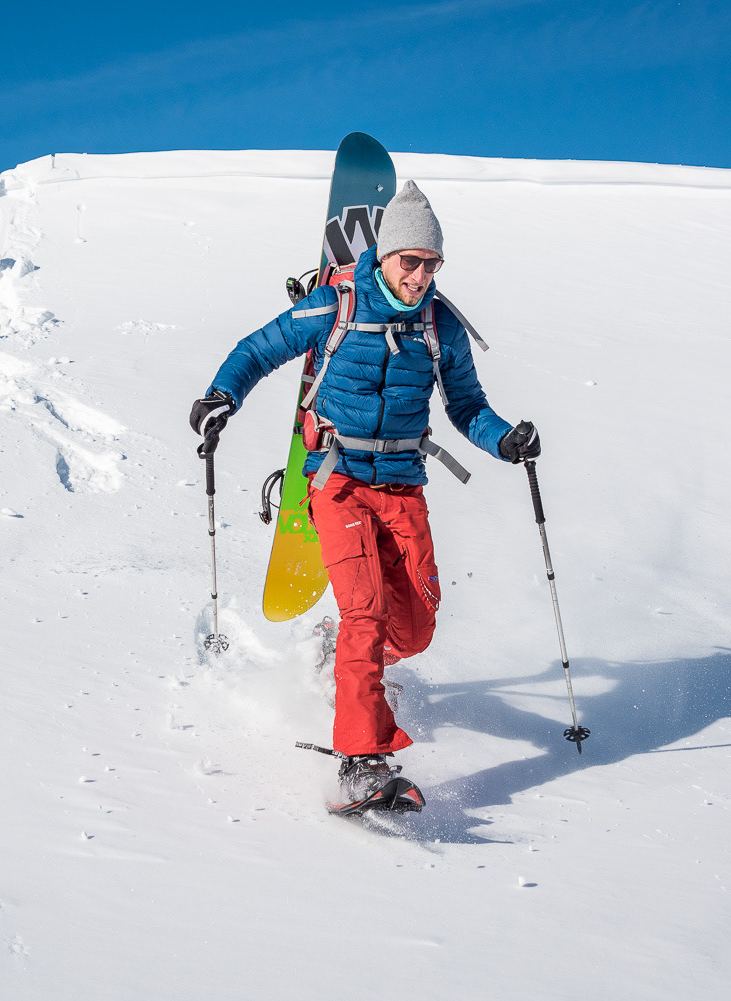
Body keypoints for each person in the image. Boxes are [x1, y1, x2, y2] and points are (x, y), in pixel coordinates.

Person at [189, 181, 540, 811]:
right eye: (411, 262)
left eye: (432, 265)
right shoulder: (337, 304)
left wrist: (504, 440)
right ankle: (361, 759)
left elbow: (466, 406)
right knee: (366, 613)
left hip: (403, 483)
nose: (421, 276)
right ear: (385, 255)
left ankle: (339, 654)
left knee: (416, 627)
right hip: (338, 479)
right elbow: (258, 349)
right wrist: (222, 397)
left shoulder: (441, 326)